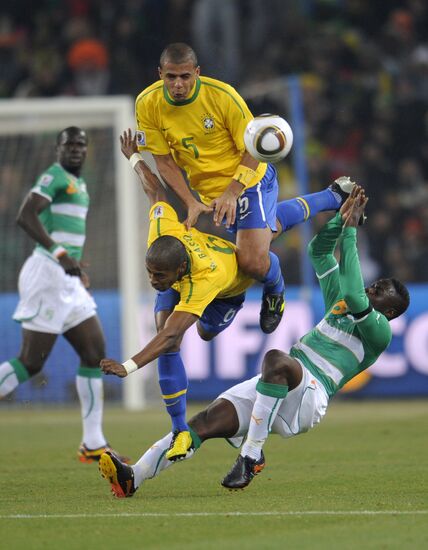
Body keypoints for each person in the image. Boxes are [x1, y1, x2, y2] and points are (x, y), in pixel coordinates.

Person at [98, 186, 410, 497]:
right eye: (375, 284)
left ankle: (250, 455)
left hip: (310, 395)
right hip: (280, 384)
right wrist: (341, 221)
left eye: (380, 290)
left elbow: (356, 295)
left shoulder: (379, 331)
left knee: (276, 359)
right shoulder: (339, 303)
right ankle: (133, 476)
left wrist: (352, 232)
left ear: (391, 310)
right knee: (204, 421)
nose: (372, 288)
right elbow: (319, 251)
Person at [100, 130, 354, 462]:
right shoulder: (163, 230)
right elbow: (155, 190)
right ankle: (179, 431)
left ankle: (273, 285)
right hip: (198, 265)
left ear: (180, 272)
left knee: (211, 316)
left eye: (158, 276)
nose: (152, 280)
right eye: (150, 272)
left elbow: (174, 332)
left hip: (230, 286)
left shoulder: (206, 279)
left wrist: (128, 365)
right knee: (169, 341)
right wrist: (134, 156)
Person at [135, 42, 347, 335]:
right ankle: (332, 196)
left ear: (197, 72)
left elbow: (255, 146)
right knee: (265, 230)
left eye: (185, 76)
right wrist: (190, 202)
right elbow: (164, 162)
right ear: (160, 74)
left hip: (248, 180)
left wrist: (233, 192)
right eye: (171, 77)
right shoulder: (147, 104)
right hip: (210, 194)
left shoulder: (223, 97)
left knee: (251, 261)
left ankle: (275, 289)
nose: (178, 84)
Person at [0, 127, 127, 464]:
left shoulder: (81, 184)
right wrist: (59, 254)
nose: (76, 149)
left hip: (67, 279)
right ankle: (93, 442)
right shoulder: (54, 176)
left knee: (94, 352)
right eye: (69, 144)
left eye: (81, 144)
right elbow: (24, 215)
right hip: (46, 274)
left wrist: (72, 263)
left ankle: (93, 443)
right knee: (30, 362)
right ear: (57, 148)